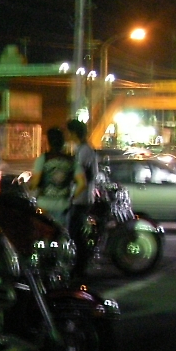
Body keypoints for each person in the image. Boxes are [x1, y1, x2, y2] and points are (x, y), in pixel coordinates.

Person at [28, 126, 86, 227]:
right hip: (63, 206)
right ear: (62, 142)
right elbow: (82, 183)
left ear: (49, 142)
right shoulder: (71, 160)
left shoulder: (43, 159)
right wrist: (71, 198)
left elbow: (35, 182)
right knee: (61, 233)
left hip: (44, 205)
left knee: (43, 232)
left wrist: (30, 187)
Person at [65, 118, 99, 276]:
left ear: (74, 133)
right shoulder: (83, 149)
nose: (67, 135)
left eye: (69, 132)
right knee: (76, 232)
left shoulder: (84, 150)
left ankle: (80, 266)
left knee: (75, 233)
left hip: (81, 197)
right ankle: (80, 265)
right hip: (82, 196)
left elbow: (81, 175)